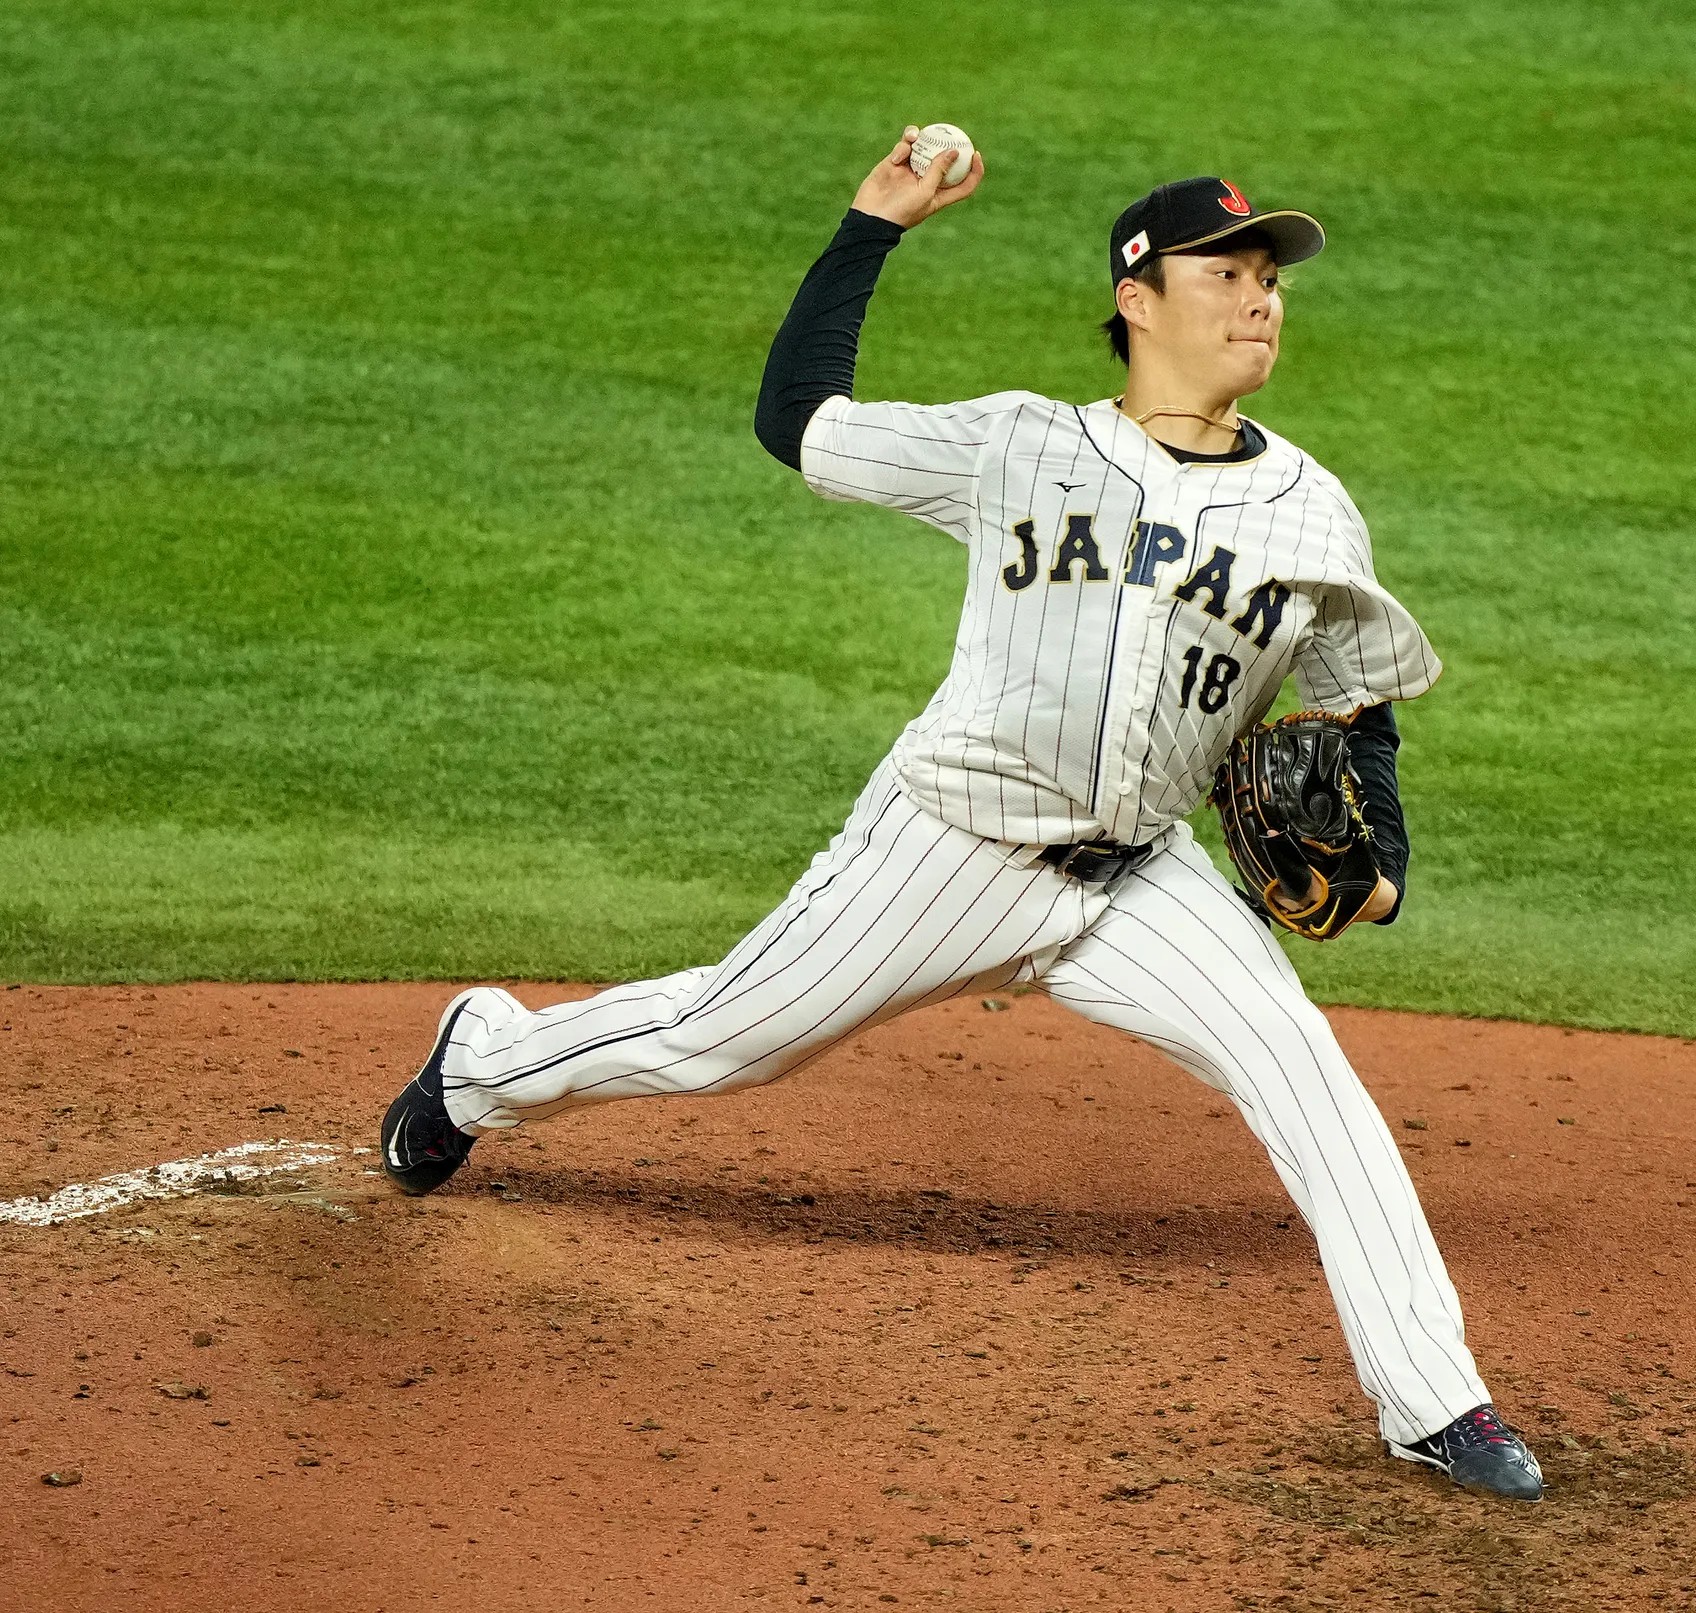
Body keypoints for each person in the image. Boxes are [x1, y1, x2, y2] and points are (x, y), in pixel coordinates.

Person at [377, 127, 1541, 1501]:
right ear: (1136, 296)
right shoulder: (1018, 446)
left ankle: (1436, 1402)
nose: (1259, 295)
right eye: (1223, 270)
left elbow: (1356, 706)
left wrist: (1381, 866)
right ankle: (479, 1063)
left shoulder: (1313, 512)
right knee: (718, 1038)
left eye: (1269, 274)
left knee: (1311, 1081)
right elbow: (797, 426)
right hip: (949, 845)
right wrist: (872, 228)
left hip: (1139, 884)